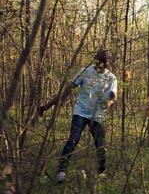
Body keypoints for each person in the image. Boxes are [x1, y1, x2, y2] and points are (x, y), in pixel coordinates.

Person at [38, 49, 117, 183]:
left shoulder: (111, 78)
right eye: (98, 62)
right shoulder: (85, 71)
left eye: (103, 63)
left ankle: (101, 173)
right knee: (73, 140)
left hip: (96, 115)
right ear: (95, 61)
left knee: (100, 144)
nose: (100, 66)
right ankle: (61, 172)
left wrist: (109, 102)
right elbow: (66, 90)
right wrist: (48, 105)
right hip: (80, 111)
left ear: (107, 64)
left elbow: (113, 96)